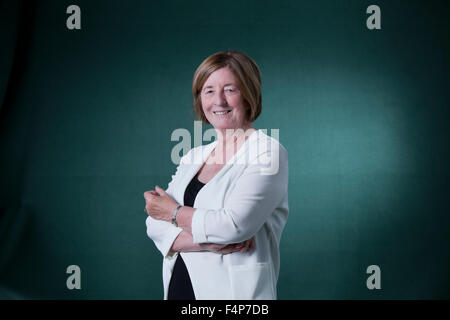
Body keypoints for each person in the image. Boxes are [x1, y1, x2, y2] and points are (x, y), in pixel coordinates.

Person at [143, 50, 289, 300]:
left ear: (249, 95)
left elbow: (233, 225)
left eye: (230, 89)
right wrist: (205, 242)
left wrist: (174, 213)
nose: (218, 101)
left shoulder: (268, 152)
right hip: (181, 289)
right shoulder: (193, 156)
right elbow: (153, 223)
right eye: (209, 90)